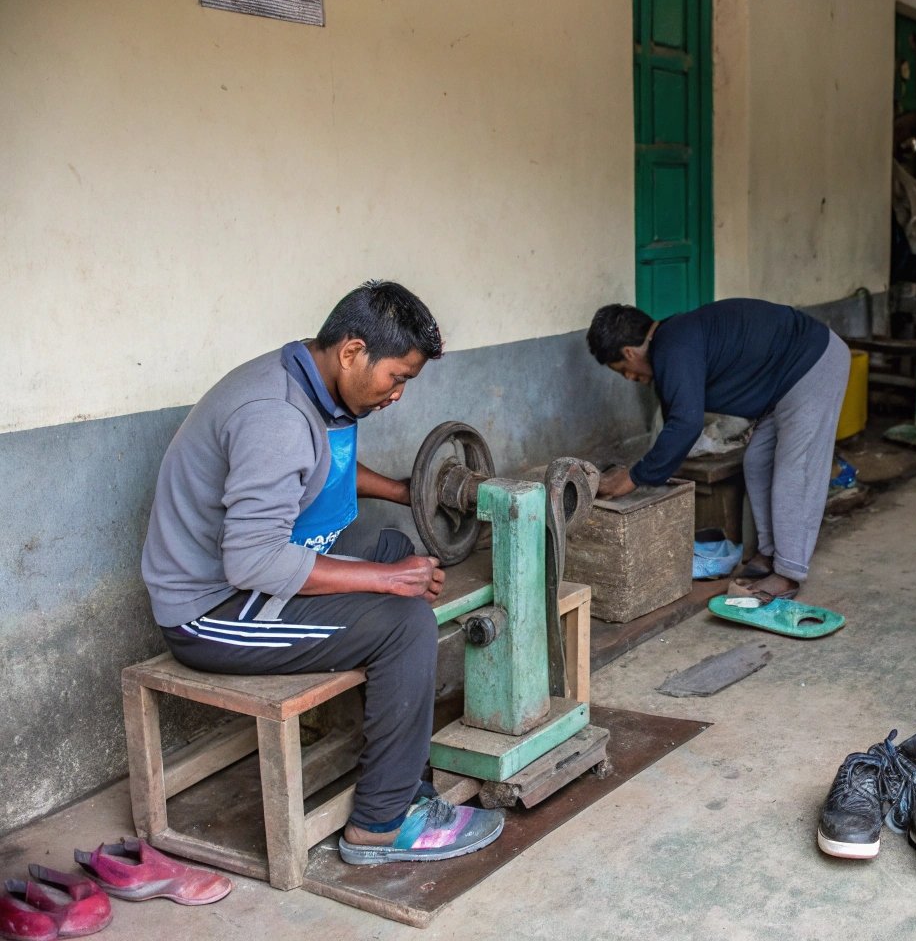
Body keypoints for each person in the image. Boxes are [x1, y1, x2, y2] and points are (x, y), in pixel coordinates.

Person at [141, 280, 504, 865]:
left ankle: (386, 744)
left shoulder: (308, 378)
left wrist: (401, 493)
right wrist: (386, 584)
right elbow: (252, 560)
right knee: (406, 623)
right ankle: (385, 820)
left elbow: (320, 465)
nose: (398, 395)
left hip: (253, 579)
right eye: (398, 377)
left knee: (390, 546)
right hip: (212, 612)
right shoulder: (275, 418)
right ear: (353, 352)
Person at [586, 298, 850, 602]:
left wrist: (633, 477)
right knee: (757, 461)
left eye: (623, 370)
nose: (630, 378)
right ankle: (770, 554)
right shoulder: (673, 339)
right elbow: (677, 422)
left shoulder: (673, 346)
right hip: (784, 381)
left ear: (629, 353)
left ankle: (789, 573)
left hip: (813, 362)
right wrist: (647, 469)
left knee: (795, 471)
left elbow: (686, 425)